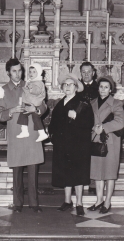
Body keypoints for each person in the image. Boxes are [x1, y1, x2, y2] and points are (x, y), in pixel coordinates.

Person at [0, 58, 47, 213]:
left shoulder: (31, 84)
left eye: (19, 71)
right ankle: (17, 203)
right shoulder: (2, 90)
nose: (18, 74)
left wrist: (36, 110)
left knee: (33, 169)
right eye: (14, 71)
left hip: (32, 133)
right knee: (17, 170)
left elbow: (44, 105)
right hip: (16, 133)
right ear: (8, 72)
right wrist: (11, 111)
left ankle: (34, 203)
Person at [48, 73, 94, 216]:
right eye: (65, 84)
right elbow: (53, 124)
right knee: (65, 172)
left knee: (78, 174)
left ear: (76, 87)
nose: (67, 87)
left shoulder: (83, 103)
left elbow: (89, 123)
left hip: (78, 145)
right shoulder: (59, 104)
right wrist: (53, 136)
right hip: (62, 145)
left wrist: (77, 117)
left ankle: (79, 203)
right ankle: (67, 201)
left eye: (70, 84)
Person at [87, 75, 124, 214]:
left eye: (106, 87)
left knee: (109, 173)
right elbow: (88, 121)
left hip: (111, 141)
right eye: (101, 87)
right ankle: (99, 200)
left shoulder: (116, 104)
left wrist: (103, 127)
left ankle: (107, 202)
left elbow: (120, 122)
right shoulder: (92, 102)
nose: (103, 89)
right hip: (96, 140)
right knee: (97, 173)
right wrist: (93, 128)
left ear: (110, 89)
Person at [77, 61, 99, 194]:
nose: (86, 74)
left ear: (93, 73)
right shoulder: (76, 87)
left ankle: (93, 183)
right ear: (80, 73)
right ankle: (79, 182)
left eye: (88, 72)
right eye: (83, 72)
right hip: (80, 127)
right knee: (79, 154)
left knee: (94, 154)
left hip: (94, 124)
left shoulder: (99, 87)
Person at [17, 63, 48, 142]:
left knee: (35, 117)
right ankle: (24, 131)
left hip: (35, 103)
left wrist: (31, 88)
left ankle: (42, 133)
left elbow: (37, 91)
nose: (31, 73)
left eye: (34, 72)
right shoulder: (30, 81)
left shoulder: (39, 82)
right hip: (30, 102)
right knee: (23, 115)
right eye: (30, 72)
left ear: (38, 73)